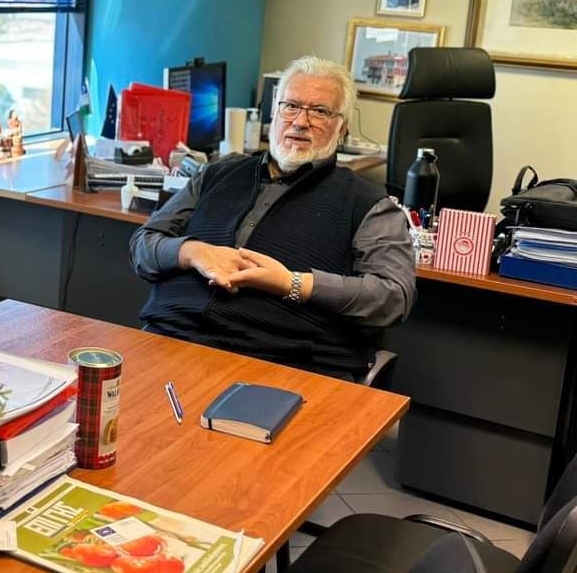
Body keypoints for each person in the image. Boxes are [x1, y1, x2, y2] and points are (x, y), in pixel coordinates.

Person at [130, 55, 416, 381]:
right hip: (169, 344)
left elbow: (394, 297)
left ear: (342, 128)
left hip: (283, 366)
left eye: (320, 111)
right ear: (274, 113)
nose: (300, 121)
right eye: (290, 106)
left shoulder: (367, 204)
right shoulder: (215, 175)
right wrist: (191, 252)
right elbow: (143, 245)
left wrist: (292, 284)